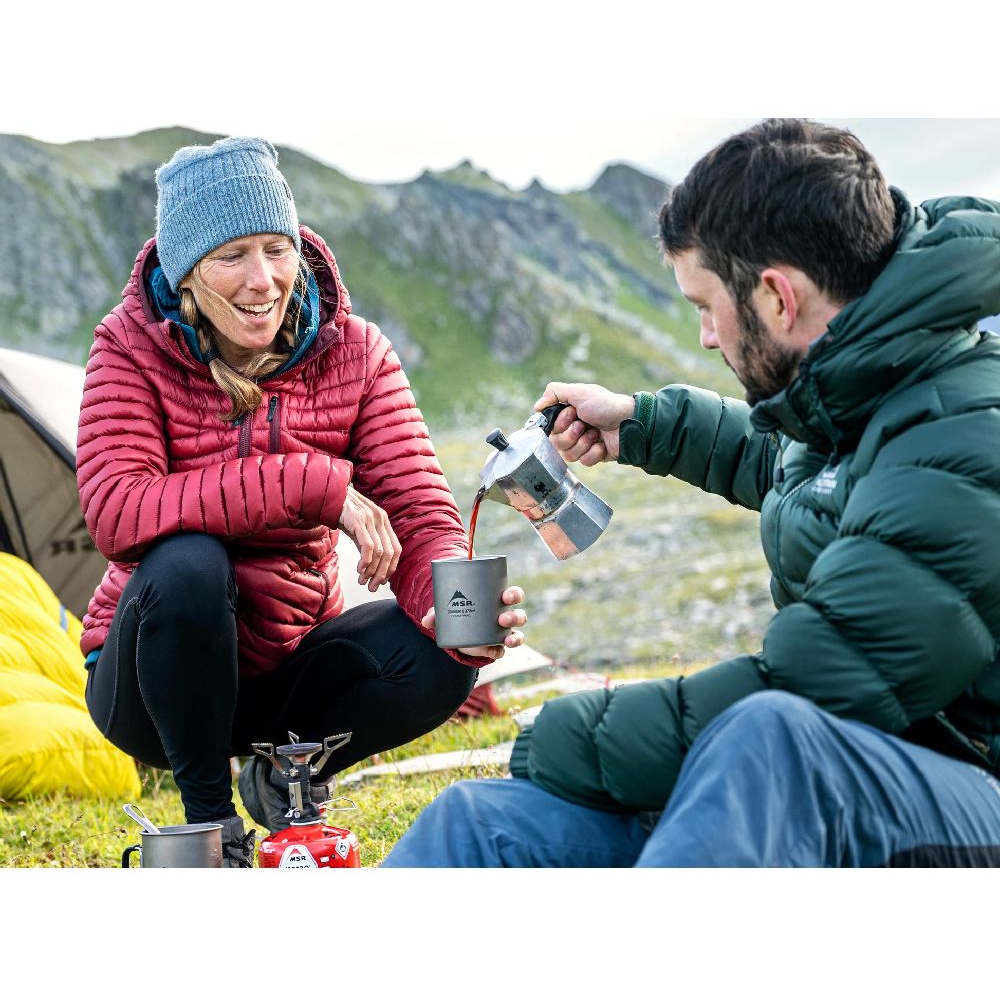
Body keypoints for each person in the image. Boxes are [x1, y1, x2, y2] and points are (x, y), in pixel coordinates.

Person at [383, 118, 1000, 868]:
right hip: (859, 772)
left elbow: (817, 689)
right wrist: (642, 425)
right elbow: (797, 469)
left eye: (706, 306)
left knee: (769, 740)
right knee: (478, 825)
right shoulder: (870, 390)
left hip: (961, 789)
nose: (707, 336)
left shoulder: (966, 440)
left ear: (777, 298)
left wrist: (564, 733)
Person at [77, 136, 527, 866]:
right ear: (186, 271)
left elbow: (418, 511)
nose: (263, 280)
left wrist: (447, 602)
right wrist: (319, 487)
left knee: (444, 651)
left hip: (290, 665)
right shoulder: (129, 346)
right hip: (154, 685)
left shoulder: (356, 351)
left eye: (275, 249)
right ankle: (211, 826)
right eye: (232, 257)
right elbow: (117, 509)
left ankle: (288, 780)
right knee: (187, 562)